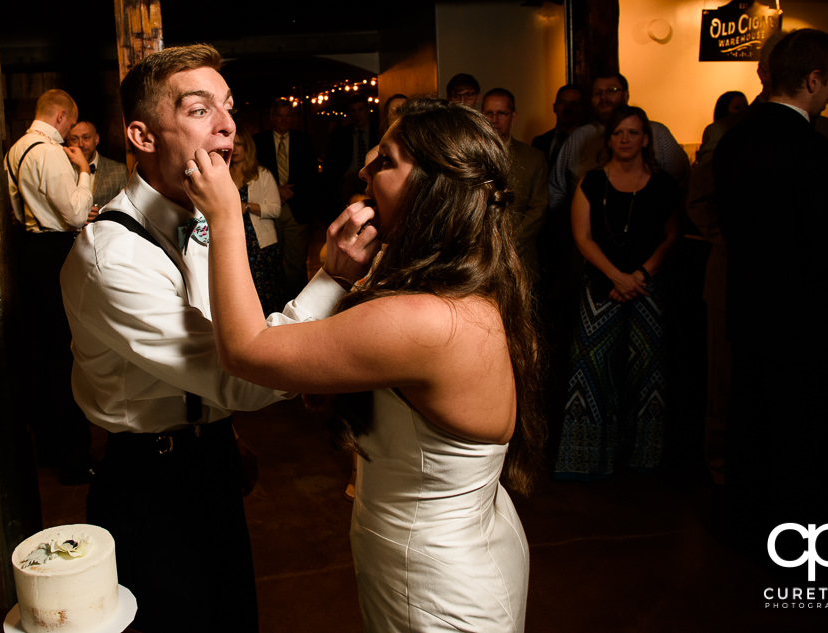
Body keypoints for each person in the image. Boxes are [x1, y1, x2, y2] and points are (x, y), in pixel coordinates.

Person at [183, 99, 543, 633]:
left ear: (432, 186)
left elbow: (244, 352)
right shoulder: (460, 278)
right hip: (456, 548)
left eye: (386, 161)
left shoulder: (424, 318)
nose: (363, 172)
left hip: (438, 581)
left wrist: (225, 216)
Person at [60, 45, 376, 633]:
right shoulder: (113, 256)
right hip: (148, 482)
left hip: (208, 456)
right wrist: (330, 279)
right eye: (200, 109)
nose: (229, 124)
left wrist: (215, 433)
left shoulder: (199, 215)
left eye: (229, 108)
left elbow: (229, 340)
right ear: (143, 136)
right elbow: (245, 374)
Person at [714, 27, 828, 551]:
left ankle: (751, 533)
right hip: (808, 321)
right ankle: (801, 548)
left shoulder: (733, 140)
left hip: (751, 311)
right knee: (801, 438)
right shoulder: (817, 151)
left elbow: (730, 226)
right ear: (812, 78)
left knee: (752, 427)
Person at [553, 105, 681, 479]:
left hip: (647, 286)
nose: (625, 139)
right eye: (618, 133)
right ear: (608, 139)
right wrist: (616, 276)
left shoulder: (664, 185)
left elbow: (673, 237)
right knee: (589, 370)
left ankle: (644, 460)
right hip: (601, 286)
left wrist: (639, 275)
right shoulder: (591, 182)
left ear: (645, 138)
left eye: (633, 132)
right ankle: (585, 461)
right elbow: (582, 237)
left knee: (649, 374)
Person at [3, 89, 95, 481]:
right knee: (67, 355)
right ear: (60, 116)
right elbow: (74, 215)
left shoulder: (17, 150)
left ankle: (51, 450)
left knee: (42, 355)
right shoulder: (49, 151)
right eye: (71, 125)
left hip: (29, 251)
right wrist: (85, 171)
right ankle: (76, 460)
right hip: (54, 252)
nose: (71, 134)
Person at [547, 74, 689, 211]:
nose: (604, 97)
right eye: (598, 93)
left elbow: (682, 182)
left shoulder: (657, 132)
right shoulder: (577, 138)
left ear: (626, 95)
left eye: (612, 90)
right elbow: (556, 191)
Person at [254, 99, 319, 300]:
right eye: (279, 116)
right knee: (270, 263)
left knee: (296, 265)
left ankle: (298, 307)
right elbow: (253, 174)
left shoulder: (304, 140)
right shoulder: (258, 141)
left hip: (296, 209)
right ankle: (275, 305)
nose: (283, 120)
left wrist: (291, 191)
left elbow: (312, 175)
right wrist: (276, 190)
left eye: (287, 116)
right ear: (272, 117)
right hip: (266, 210)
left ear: (292, 118)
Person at [482, 88, 547, 277]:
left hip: (521, 257)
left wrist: (508, 242)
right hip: (479, 258)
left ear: (513, 116)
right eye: (489, 113)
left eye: (501, 113)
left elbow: (539, 209)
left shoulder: (533, 158)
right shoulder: (471, 156)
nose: (494, 119)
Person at [230, 132, 283, 314]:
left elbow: (276, 209)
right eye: (231, 144)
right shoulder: (222, 176)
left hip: (260, 244)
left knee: (267, 292)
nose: (234, 149)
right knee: (240, 290)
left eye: (239, 144)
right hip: (234, 242)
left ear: (248, 148)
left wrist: (248, 206)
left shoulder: (262, 174)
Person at [325, 95, 379, 210]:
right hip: (347, 183)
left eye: (360, 109)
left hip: (372, 181)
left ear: (367, 110)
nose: (357, 114)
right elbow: (330, 164)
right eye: (353, 111)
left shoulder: (378, 132)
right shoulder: (339, 135)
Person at [66, 117, 129, 214]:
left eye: (86, 138)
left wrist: (101, 214)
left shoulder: (118, 171)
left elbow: (125, 208)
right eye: (74, 139)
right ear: (68, 142)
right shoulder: (63, 169)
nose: (81, 144)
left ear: (96, 139)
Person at [532, 84, 584, 169]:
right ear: (554, 107)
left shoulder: (588, 142)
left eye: (573, 103)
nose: (567, 108)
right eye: (563, 102)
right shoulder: (539, 142)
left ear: (581, 108)